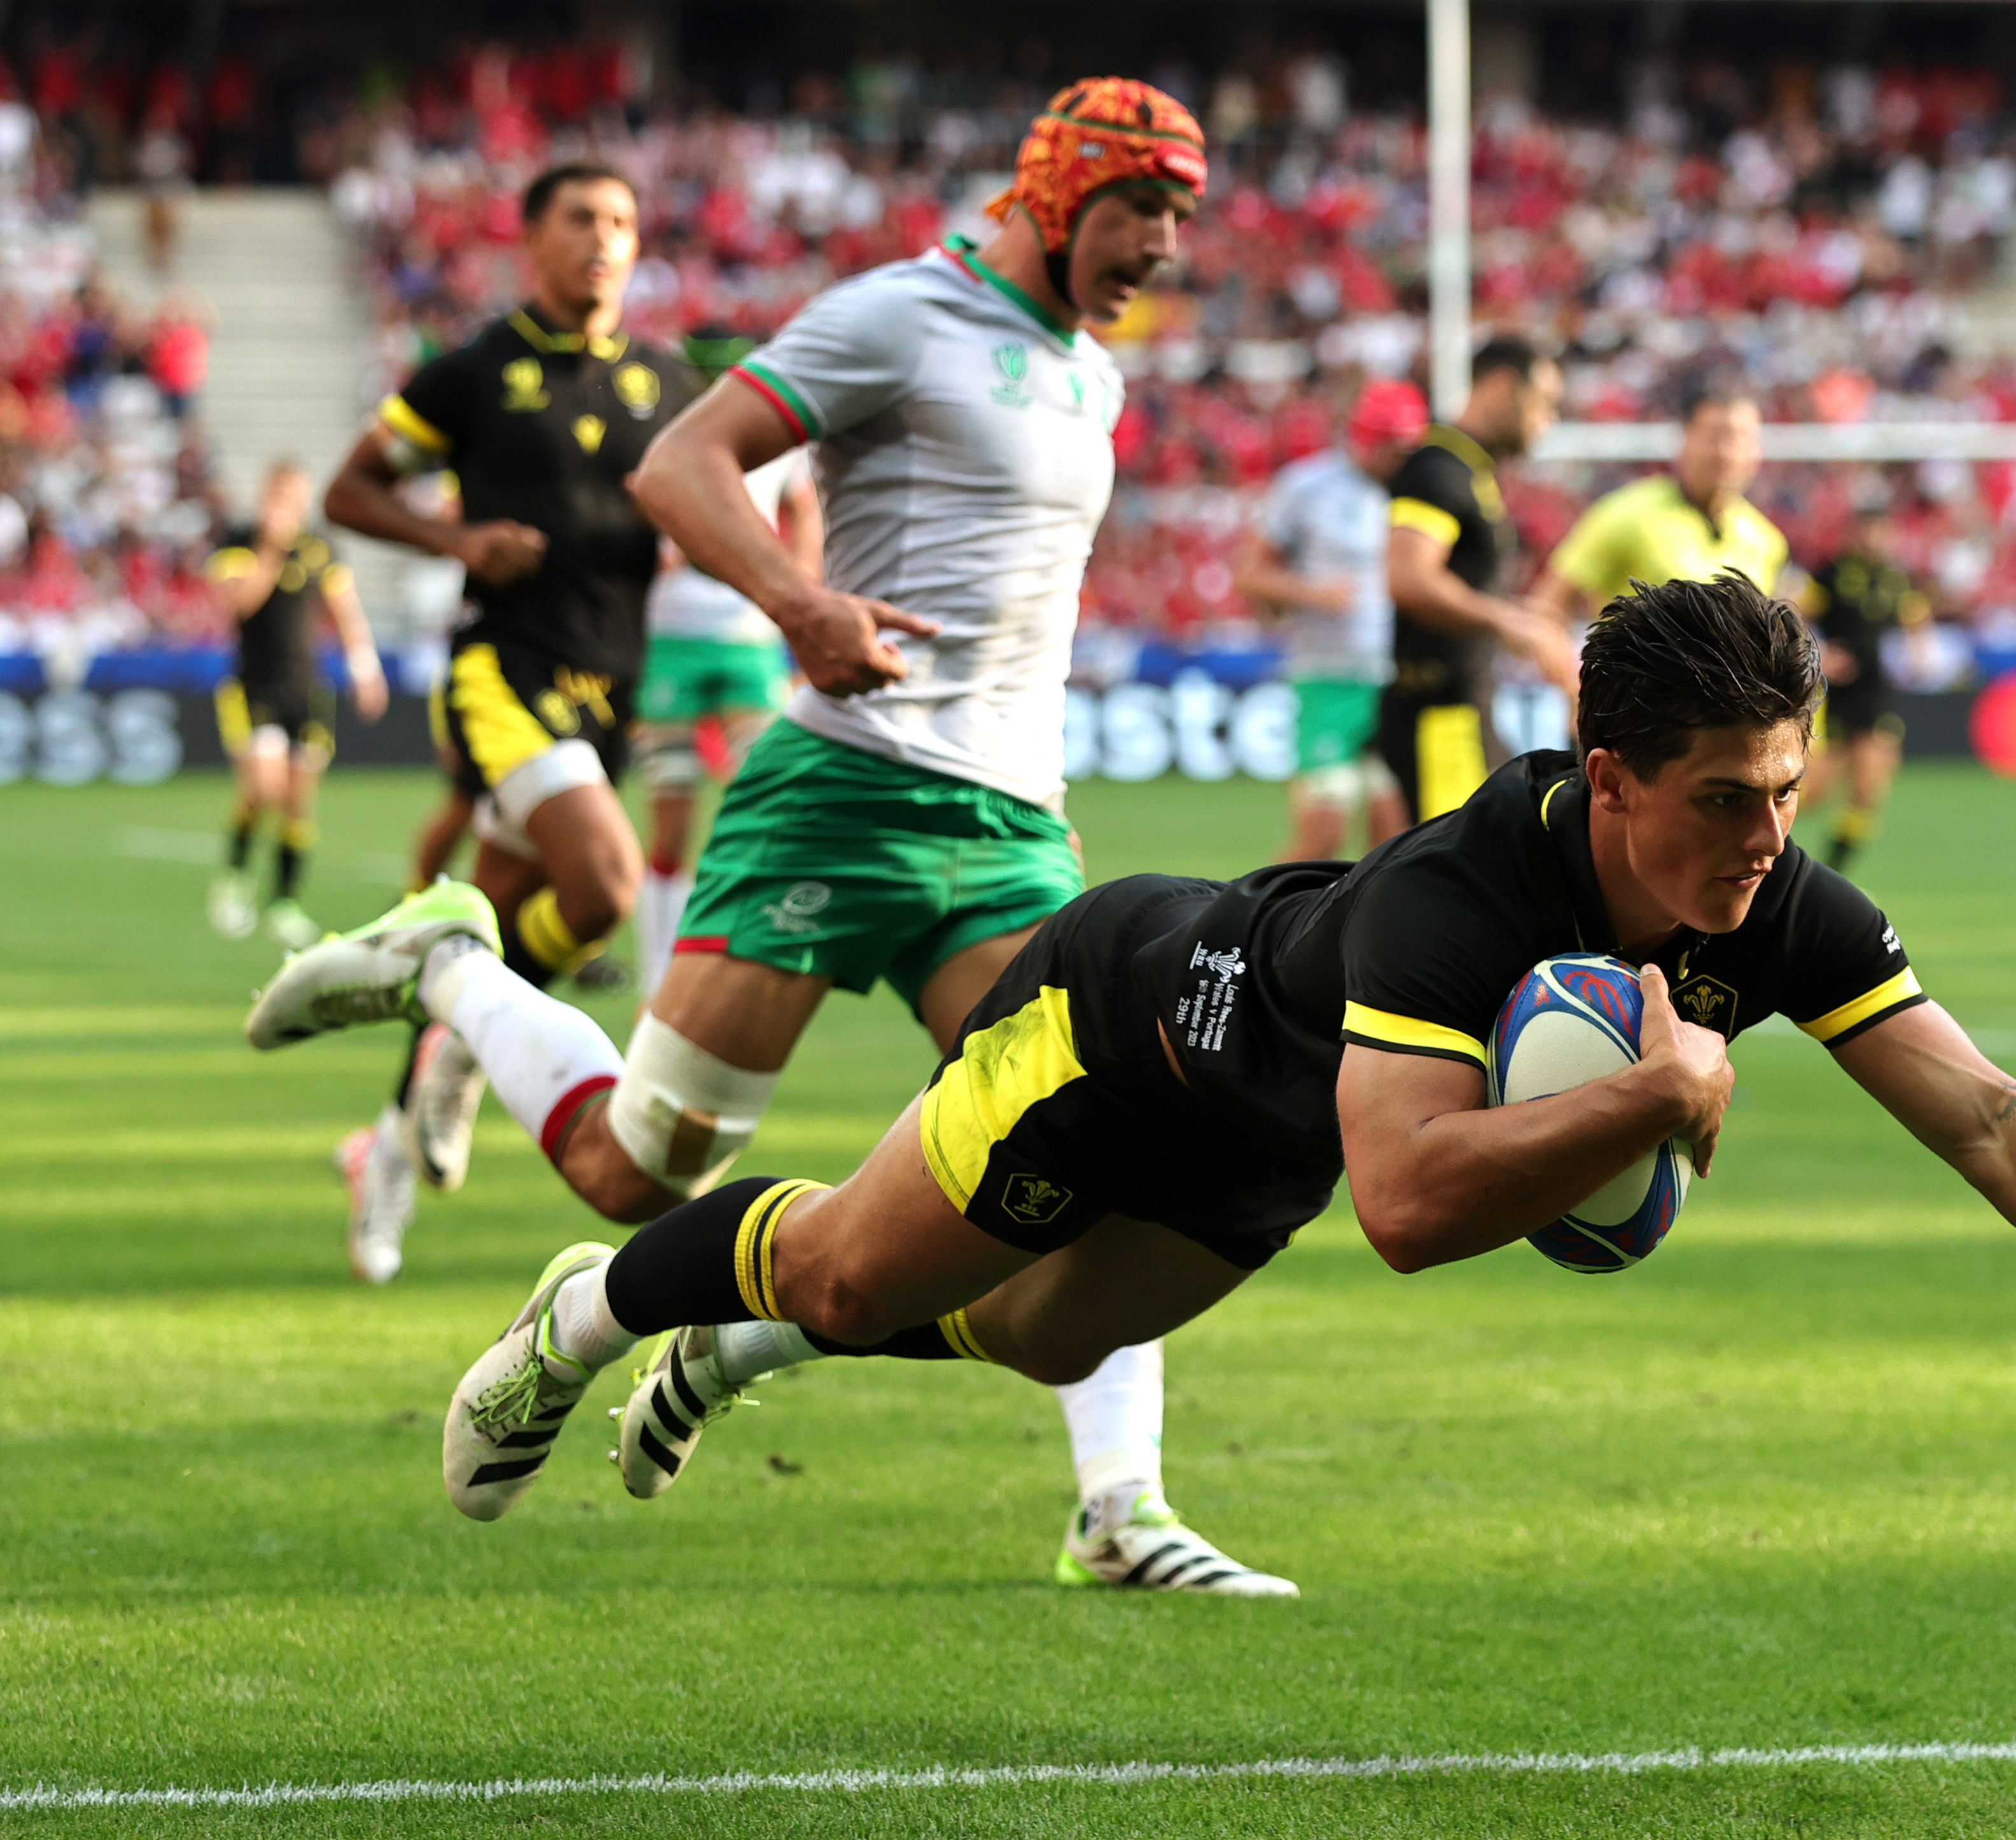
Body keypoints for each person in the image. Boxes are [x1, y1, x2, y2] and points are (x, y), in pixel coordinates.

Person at [394, 574, 2016, 1570]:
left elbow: (1991, 1114)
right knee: (842, 1273)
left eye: (1785, 792)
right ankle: (582, 1315)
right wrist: (1650, 1097)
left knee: (1029, 1340)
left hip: (1276, 1147)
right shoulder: (1462, 884)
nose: (1767, 835)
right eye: (1723, 798)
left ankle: (741, 1334)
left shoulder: (1776, 899)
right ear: (1608, 781)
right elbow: (1425, 1215)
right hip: (1132, 1023)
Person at [250, 81, 1291, 1598]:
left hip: (1005, 828)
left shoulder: (1091, 375)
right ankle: (450, 966)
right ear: (1061, 195)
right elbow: (679, 464)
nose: (1164, 247)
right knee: (636, 1172)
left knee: (1103, 1159)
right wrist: (800, 607)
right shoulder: (897, 314)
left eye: (1182, 217)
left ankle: (1114, 1505)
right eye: (1145, 210)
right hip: (838, 793)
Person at [312, 159, 706, 1279]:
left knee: (492, 932)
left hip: (610, 687)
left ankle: (383, 1146)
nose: (604, 237)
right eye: (581, 217)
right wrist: (457, 543)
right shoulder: (474, 374)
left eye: (623, 220)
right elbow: (351, 492)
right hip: (504, 672)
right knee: (605, 889)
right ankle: (461, 1061)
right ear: (530, 237)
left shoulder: (668, 383)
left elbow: (732, 494)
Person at [630, 324, 818, 1001]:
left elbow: (805, 514)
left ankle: (737, 965)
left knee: (764, 798)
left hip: (745, 637)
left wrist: (801, 596)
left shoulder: (777, 442)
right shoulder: (663, 436)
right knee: (673, 819)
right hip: (671, 636)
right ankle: (660, 980)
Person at [1378, 337, 1574, 825]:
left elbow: (1459, 584)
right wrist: (1508, 620)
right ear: (1502, 387)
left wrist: (1526, 616)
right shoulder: (1438, 468)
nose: (1548, 420)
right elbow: (1407, 577)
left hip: (1464, 709)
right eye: (1544, 403)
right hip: (1440, 714)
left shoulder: (1470, 470)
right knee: (1454, 885)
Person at [1234, 376, 1426, 861]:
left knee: (1396, 838)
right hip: (1327, 679)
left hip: (1396, 681)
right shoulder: (1307, 486)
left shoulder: (1420, 493)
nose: (1399, 462)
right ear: (1365, 439)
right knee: (1321, 837)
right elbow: (1251, 573)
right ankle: (1249, 927)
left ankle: (1373, 936)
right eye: (1391, 449)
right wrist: (1312, 593)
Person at [205, 459, 388, 949]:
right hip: (253, 687)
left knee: (297, 803)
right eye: (279, 495)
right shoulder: (239, 541)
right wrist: (269, 548)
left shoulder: (320, 548)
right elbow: (237, 604)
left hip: (306, 690)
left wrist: (364, 668)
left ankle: (285, 903)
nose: (286, 506)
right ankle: (236, 879)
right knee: (262, 789)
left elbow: (344, 611)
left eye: (294, 496)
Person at [1527, 384, 1788, 623]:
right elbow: (1547, 604)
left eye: (1741, 439)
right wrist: (1567, 667)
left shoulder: (1766, 541)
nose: (1726, 453)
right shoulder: (1626, 514)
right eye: (1714, 436)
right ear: (1685, 439)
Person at [1795, 515, 1933, 870]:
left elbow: (1917, 617)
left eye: (1883, 532)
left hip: (1876, 694)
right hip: (1833, 696)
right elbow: (1792, 615)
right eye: (1870, 531)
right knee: (1811, 794)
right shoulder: (1831, 575)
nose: (1877, 539)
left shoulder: (1894, 578)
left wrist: (1919, 651)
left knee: (1867, 792)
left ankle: (1833, 877)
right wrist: (1820, 653)